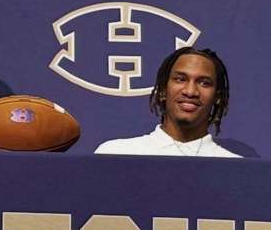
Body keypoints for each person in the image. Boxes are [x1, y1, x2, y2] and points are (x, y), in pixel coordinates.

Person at [94, 47, 240, 157]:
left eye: (204, 83)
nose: (190, 91)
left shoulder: (234, 168)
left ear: (217, 97)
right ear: (163, 90)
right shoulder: (115, 153)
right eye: (181, 79)